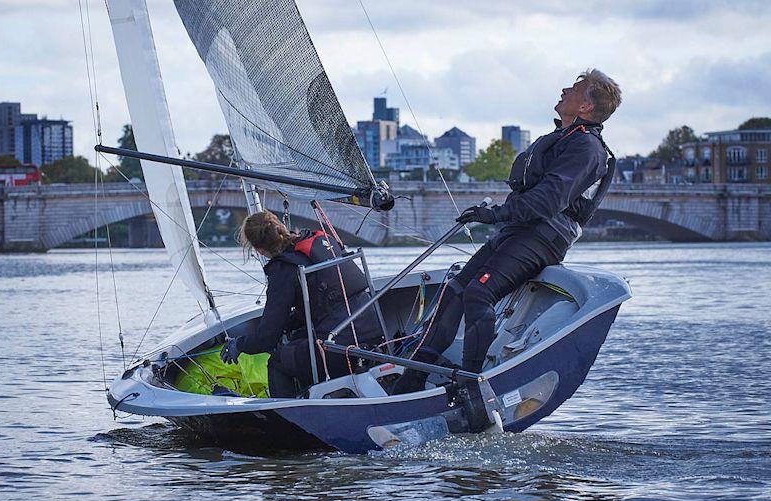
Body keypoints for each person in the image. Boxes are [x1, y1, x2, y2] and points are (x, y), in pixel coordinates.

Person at [394, 68, 622, 395]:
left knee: (478, 293)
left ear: (586, 107)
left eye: (573, 89)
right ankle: (413, 377)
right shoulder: (564, 139)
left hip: (543, 237)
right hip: (520, 230)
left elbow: (547, 201)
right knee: (456, 288)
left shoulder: (587, 149)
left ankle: (471, 384)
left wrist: (495, 214)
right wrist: (498, 216)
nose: (563, 90)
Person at [221, 210, 384, 398]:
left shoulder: (283, 269)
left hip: (338, 351)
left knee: (278, 361)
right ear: (281, 225)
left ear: (259, 250)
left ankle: (287, 419)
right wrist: (287, 325)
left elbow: (266, 338)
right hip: (375, 337)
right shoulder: (319, 242)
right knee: (297, 341)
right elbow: (322, 303)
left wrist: (239, 345)